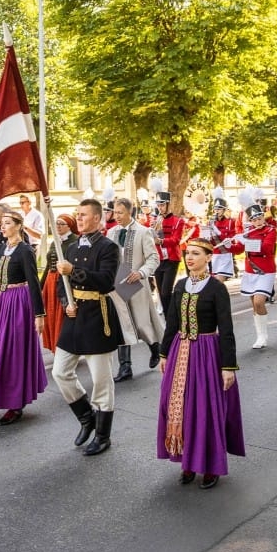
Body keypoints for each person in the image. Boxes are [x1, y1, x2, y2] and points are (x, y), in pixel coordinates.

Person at [157, 236, 245, 490]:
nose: (190, 258)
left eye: (196, 253)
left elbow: (226, 329)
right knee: (180, 406)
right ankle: (186, 459)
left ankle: (209, 465)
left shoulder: (216, 288)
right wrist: (164, 353)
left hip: (207, 353)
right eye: (188, 253)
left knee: (204, 408)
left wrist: (228, 367)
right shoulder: (181, 285)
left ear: (208, 258)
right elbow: (172, 323)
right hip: (179, 352)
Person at [53, 198, 123, 456]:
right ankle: (86, 418)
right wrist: (64, 301)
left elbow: (106, 282)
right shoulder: (70, 247)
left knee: (101, 380)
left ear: (96, 218)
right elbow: (62, 284)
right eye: (77, 214)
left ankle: (103, 436)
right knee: (60, 372)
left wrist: (75, 270)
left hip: (97, 316)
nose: (78, 218)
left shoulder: (108, 247)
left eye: (83, 215)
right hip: (74, 318)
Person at [0, 209, 47, 424]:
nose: (2, 226)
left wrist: (39, 314)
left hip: (18, 303)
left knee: (13, 351)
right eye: (2, 223)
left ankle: (15, 403)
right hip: (0, 303)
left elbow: (33, 282)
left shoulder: (25, 251)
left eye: (7, 223)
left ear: (18, 225)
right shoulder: (1, 249)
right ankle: (2, 393)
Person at [107, 197, 162, 381]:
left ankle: (155, 347)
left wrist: (141, 273)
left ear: (130, 212)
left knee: (140, 323)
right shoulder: (111, 233)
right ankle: (125, 367)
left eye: (120, 212)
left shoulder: (143, 232)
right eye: (115, 212)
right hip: (117, 284)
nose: (117, 216)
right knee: (122, 324)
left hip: (136, 283)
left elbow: (153, 258)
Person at [232, 189, 277, 349]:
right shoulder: (248, 232)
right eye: (254, 219)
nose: (258, 221)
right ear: (250, 221)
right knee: (254, 304)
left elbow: (266, 248)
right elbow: (238, 251)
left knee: (259, 302)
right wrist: (230, 244)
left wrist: (246, 241)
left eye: (259, 218)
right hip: (250, 269)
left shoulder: (270, 231)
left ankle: (264, 335)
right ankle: (260, 336)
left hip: (265, 270)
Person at [40, 213, 79, 354]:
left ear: (69, 226)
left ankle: (64, 347)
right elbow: (48, 265)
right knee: (50, 314)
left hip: (63, 280)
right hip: (51, 281)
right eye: (56, 224)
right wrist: (41, 285)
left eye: (61, 224)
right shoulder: (54, 241)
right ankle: (54, 345)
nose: (58, 226)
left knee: (61, 314)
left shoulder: (75, 241)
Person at [152, 191, 186, 315]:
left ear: (168, 205)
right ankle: (169, 318)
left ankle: (172, 317)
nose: (160, 208)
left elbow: (176, 240)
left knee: (166, 291)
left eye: (162, 205)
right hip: (158, 259)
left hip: (172, 259)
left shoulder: (178, 221)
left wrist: (160, 241)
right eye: (158, 205)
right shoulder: (155, 220)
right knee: (161, 293)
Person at [207, 187, 238, 282]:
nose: (217, 210)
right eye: (215, 208)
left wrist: (217, 230)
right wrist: (208, 236)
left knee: (219, 281)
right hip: (215, 255)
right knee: (214, 284)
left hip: (225, 254)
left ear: (224, 210)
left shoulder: (230, 222)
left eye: (219, 208)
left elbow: (231, 238)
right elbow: (211, 242)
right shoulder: (211, 222)